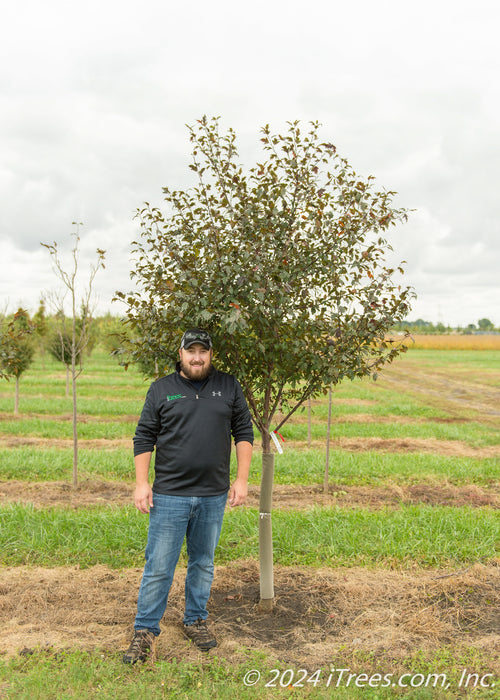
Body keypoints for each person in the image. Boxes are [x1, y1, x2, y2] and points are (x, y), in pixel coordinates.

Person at [123, 328, 254, 663]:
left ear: (211, 354)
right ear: (180, 354)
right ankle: (145, 632)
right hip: (169, 495)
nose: (197, 357)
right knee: (159, 566)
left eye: (203, 351)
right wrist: (142, 482)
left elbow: (243, 431)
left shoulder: (229, 386)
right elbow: (144, 437)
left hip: (213, 495)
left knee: (203, 563)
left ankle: (195, 620)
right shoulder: (162, 389)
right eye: (191, 351)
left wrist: (241, 479)